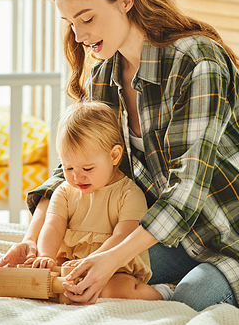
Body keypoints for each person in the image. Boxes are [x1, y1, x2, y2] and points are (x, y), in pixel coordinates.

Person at [0, 0, 239, 310]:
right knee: (81, 268)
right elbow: (72, 167)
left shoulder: (198, 61)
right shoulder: (105, 78)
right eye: (70, 23)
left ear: (125, 0)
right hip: (189, 233)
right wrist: (32, 238)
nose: (80, 35)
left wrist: (114, 257)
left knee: (192, 297)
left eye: (87, 18)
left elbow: (188, 187)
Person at [28, 100, 172, 301]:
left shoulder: (129, 193)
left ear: (114, 156)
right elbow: (52, 226)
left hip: (114, 265)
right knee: (49, 284)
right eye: (68, 168)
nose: (77, 177)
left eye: (87, 169)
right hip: (71, 261)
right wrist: (46, 256)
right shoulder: (64, 191)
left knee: (115, 291)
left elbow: (123, 235)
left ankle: (163, 293)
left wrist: (90, 262)